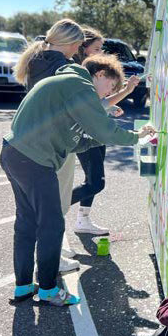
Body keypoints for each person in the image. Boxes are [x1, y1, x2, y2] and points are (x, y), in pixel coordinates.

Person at [1, 54, 155, 306]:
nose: (109, 93)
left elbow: (77, 141)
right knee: (51, 226)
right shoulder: (79, 85)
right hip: (35, 160)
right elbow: (105, 130)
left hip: (15, 153)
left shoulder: (67, 85)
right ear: (100, 74)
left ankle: (24, 287)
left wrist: (101, 138)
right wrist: (138, 136)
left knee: (27, 222)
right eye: (111, 86)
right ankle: (48, 290)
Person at [13, 18, 85, 272]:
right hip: (56, 142)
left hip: (30, 142)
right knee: (57, 207)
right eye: (78, 44)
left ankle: (32, 272)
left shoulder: (36, 60)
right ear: (70, 42)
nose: (78, 50)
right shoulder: (63, 67)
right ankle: (51, 263)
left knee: (30, 215)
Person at [66, 27, 142, 236]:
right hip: (87, 135)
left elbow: (98, 104)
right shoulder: (80, 74)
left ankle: (82, 219)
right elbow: (92, 108)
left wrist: (112, 102)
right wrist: (124, 93)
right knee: (95, 183)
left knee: (93, 181)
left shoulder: (87, 74)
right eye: (97, 48)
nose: (101, 53)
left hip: (94, 134)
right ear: (83, 47)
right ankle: (55, 207)